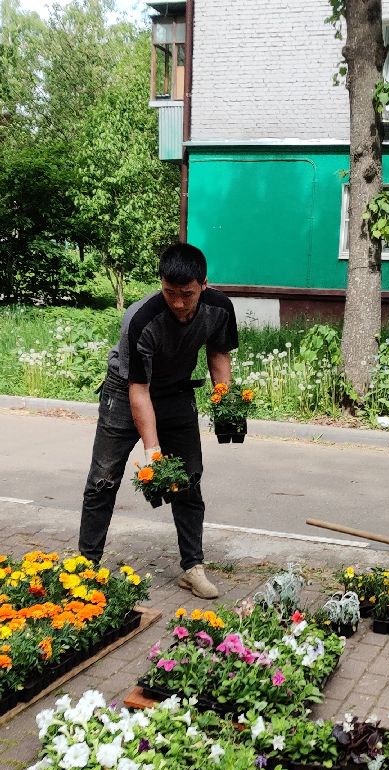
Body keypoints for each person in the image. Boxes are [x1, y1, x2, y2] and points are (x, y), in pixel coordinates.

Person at [78, 242, 237, 600]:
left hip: (177, 391)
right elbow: (138, 390)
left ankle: (192, 567)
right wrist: (152, 451)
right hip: (125, 392)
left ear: (204, 285)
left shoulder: (219, 308)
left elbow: (218, 353)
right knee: (102, 480)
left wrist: (224, 401)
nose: (178, 302)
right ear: (160, 283)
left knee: (188, 479)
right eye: (170, 292)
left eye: (187, 294)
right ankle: (86, 567)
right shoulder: (141, 318)